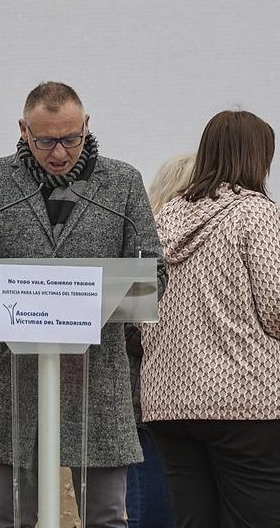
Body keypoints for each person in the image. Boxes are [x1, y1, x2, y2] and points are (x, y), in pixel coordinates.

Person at [0, 81, 164, 528]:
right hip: (17, 377)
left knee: (105, 518)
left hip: (96, 375)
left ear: (86, 126)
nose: (60, 153)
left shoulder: (122, 183)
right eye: (46, 140)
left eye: (71, 138)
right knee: (13, 517)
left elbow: (153, 272)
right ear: (24, 130)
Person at [140, 111, 280, 528]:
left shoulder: (163, 219)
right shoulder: (258, 213)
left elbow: (140, 309)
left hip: (171, 403)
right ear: (258, 157)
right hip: (250, 402)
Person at [125, 154, 193, 528]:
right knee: (150, 514)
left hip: (190, 414)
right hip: (147, 413)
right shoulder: (144, 255)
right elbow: (127, 330)